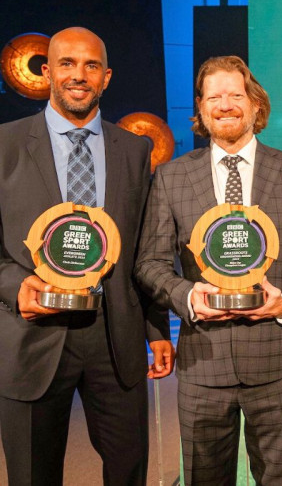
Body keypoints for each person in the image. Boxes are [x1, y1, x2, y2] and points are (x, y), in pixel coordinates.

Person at [0, 26, 173, 485]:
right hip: (31, 333)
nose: (79, 75)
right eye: (68, 63)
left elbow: (144, 248)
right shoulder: (5, 146)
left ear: (107, 76)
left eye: (91, 65)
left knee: (128, 470)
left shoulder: (134, 150)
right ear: (47, 71)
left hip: (113, 334)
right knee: (33, 474)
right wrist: (16, 287)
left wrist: (156, 329)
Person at [135, 55, 282, 485]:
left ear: (256, 104)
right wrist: (188, 297)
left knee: (278, 477)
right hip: (204, 362)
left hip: (278, 358)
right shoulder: (172, 178)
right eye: (214, 96)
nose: (225, 104)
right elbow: (150, 263)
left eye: (236, 94)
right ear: (200, 109)